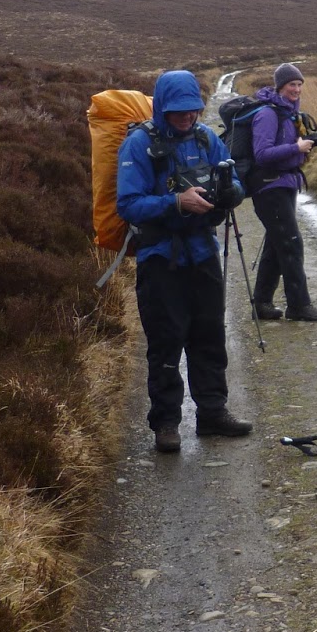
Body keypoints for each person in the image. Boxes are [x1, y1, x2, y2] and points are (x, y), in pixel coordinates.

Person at [116, 70, 256, 454]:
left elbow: (235, 180)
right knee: (166, 341)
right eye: (178, 110)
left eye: (192, 109)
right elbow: (128, 204)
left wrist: (231, 192)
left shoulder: (206, 138)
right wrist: (176, 202)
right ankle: (166, 423)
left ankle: (212, 412)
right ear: (163, 107)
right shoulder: (138, 145)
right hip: (160, 257)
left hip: (203, 252)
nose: (187, 116)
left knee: (209, 335)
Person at [249, 61, 317, 322]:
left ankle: (262, 304)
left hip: (284, 184)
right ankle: (298, 306)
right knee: (291, 243)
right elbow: (262, 154)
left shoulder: (289, 114)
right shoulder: (268, 115)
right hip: (269, 187)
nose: (297, 89)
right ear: (280, 86)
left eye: (299, 84)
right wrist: (296, 148)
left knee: (276, 243)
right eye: (292, 84)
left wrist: (309, 144)